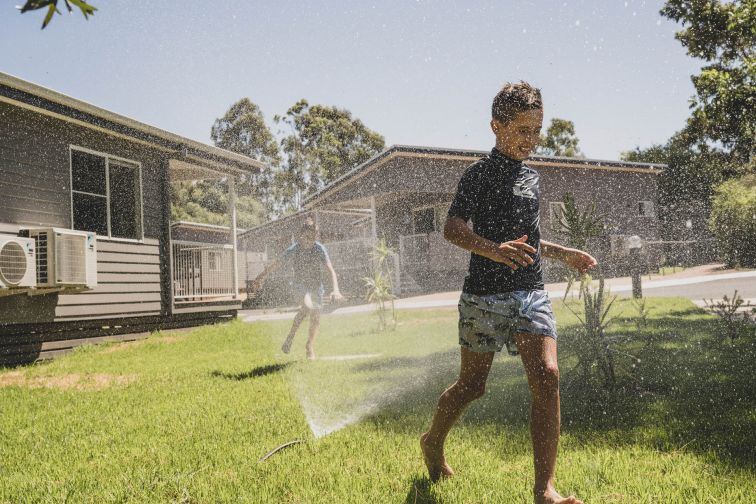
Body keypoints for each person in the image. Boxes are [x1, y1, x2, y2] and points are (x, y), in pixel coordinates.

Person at [420, 82, 596, 504]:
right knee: (472, 386)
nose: (530, 140)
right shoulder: (477, 175)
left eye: (536, 130)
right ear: (495, 126)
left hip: (530, 290)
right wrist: (492, 250)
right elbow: (452, 229)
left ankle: (544, 489)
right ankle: (432, 440)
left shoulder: (532, 178)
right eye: (521, 130)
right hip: (483, 294)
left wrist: (562, 253)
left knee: (548, 376)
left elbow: (529, 239)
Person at [250, 217, 343, 360]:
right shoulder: (294, 249)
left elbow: (331, 271)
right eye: (306, 237)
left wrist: (336, 289)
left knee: (316, 317)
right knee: (307, 307)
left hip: (316, 287)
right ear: (301, 235)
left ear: (315, 236)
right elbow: (276, 264)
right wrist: (260, 277)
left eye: (312, 238)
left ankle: (309, 346)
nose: (309, 241)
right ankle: (291, 336)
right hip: (300, 286)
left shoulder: (319, 249)